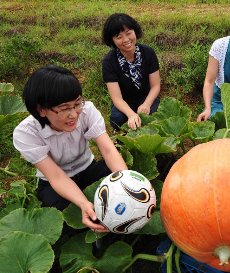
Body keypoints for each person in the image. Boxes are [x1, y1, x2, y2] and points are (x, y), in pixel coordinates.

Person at [13, 64, 128, 232]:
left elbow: (108, 150)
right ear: (41, 110)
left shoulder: (87, 111)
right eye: (65, 108)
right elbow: (56, 177)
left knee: (116, 179)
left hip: (87, 168)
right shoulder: (26, 133)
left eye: (77, 104)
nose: (73, 114)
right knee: (62, 214)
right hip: (54, 181)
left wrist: (126, 181)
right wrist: (83, 203)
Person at [102, 13, 161, 131]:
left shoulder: (148, 53)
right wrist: (131, 114)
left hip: (146, 96)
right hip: (124, 100)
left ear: (135, 32)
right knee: (117, 119)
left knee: (155, 116)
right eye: (119, 37)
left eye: (128, 33)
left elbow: (155, 86)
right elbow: (116, 98)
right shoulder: (109, 61)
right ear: (112, 40)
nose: (126, 40)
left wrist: (146, 104)